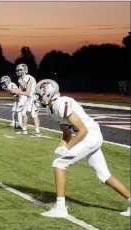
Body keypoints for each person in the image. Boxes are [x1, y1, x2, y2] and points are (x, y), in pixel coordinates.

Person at [35, 79, 131, 218]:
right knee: (104, 175)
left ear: (48, 93)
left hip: (90, 136)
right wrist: (61, 146)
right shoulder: (51, 109)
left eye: (39, 94)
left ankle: (61, 208)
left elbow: (82, 131)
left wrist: (67, 148)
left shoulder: (62, 103)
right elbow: (67, 133)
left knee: (59, 164)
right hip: (90, 137)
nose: (37, 97)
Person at [12, 63, 41, 137]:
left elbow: (28, 92)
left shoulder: (28, 78)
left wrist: (18, 92)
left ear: (24, 70)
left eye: (19, 70)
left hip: (34, 97)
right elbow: (21, 90)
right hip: (29, 98)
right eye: (17, 70)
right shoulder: (20, 79)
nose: (18, 71)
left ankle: (38, 132)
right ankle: (24, 130)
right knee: (24, 113)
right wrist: (16, 94)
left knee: (34, 115)